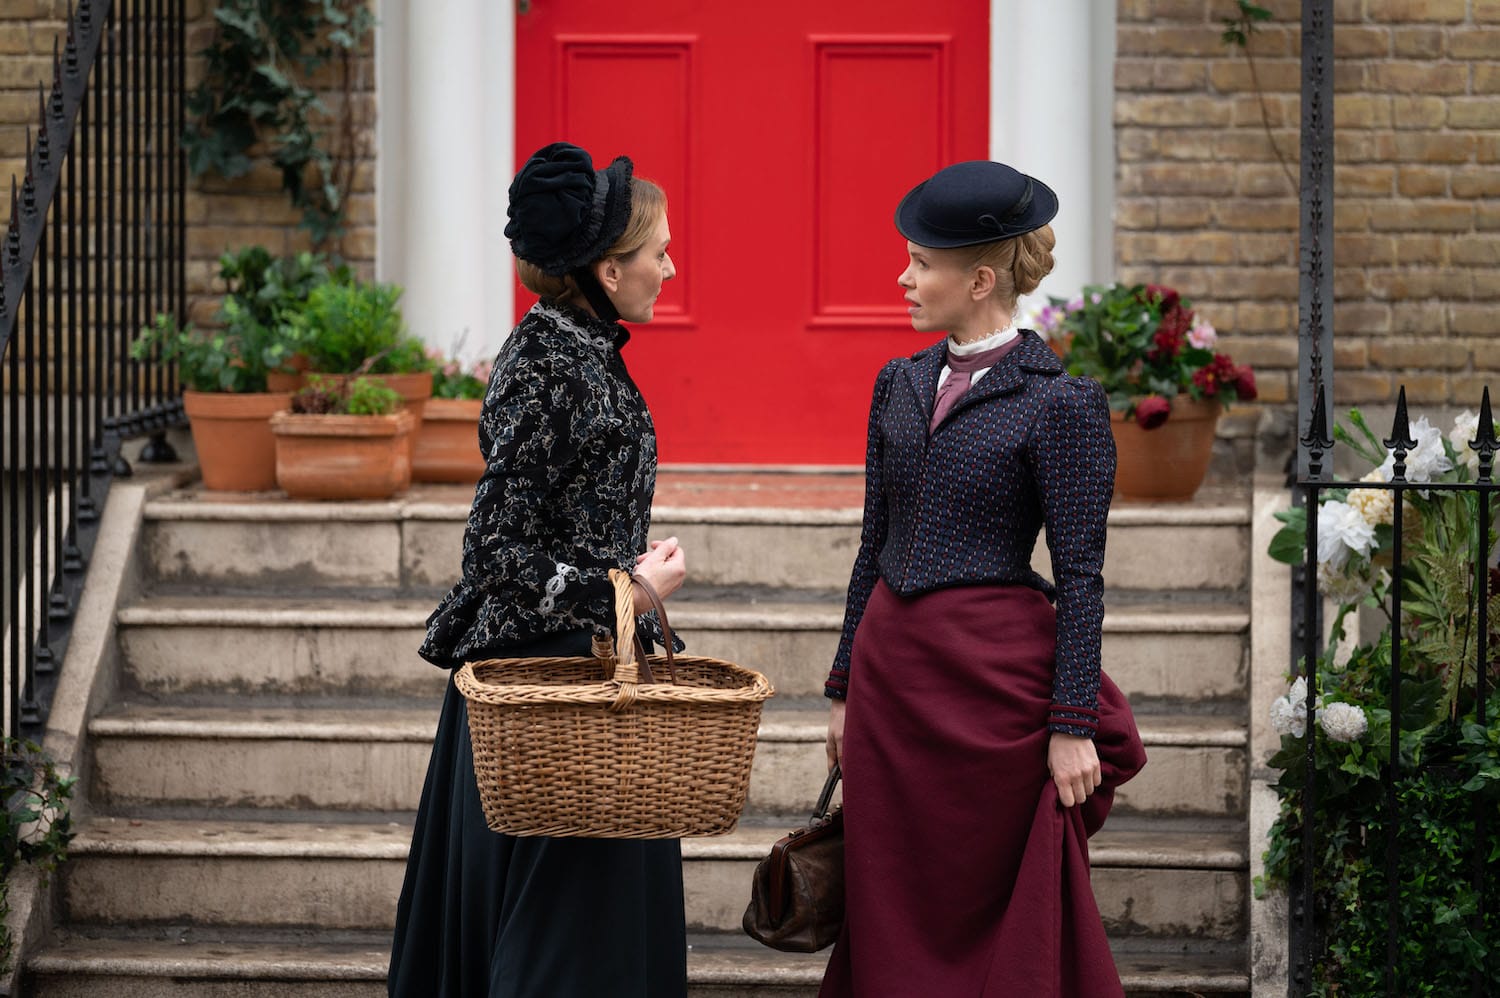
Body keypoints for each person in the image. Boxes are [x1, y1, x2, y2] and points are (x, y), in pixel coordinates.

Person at [819, 160, 1148, 998]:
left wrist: (1072, 720)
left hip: (988, 692)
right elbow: (872, 545)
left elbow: (1080, 576)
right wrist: (842, 686)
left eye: (919, 264)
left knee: (984, 904)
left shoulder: (1060, 401)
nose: (903, 278)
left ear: (979, 279)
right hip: (893, 688)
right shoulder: (897, 383)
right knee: (892, 895)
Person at [388, 141, 689, 998]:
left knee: (593, 927)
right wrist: (623, 589)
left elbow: (563, 518)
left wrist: (624, 570)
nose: (671, 267)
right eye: (658, 251)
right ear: (606, 267)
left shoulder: (587, 347)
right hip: (544, 694)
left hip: (588, 674)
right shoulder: (545, 362)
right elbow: (494, 551)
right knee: (563, 939)